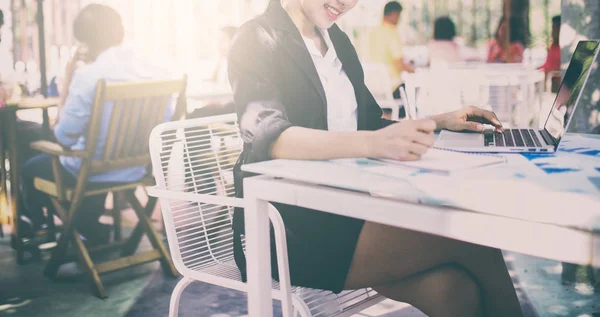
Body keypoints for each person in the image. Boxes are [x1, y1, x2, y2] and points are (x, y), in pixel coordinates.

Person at [228, 0, 524, 316]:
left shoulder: (336, 40)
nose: (347, 3)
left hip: (350, 211)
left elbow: (368, 123)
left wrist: (438, 122)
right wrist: (373, 143)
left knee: (452, 291)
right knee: (472, 235)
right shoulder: (256, 38)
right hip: (288, 228)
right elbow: (269, 136)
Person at [19, 4, 172, 244]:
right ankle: (89, 225)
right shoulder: (155, 72)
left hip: (91, 173)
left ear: (85, 41)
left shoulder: (89, 75)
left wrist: (68, 79)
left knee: (31, 168)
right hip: (138, 170)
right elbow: (165, 126)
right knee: (83, 167)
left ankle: (43, 224)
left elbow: (64, 137)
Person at [366, 1, 414, 96]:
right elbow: (399, 64)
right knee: (415, 88)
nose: (399, 19)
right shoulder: (392, 33)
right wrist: (413, 71)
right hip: (392, 88)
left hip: (372, 88)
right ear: (394, 14)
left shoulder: (371, 33)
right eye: (399, 15)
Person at [539, 15, 561, 91]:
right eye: (553, 28)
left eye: (556, 28)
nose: (553, 32)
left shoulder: (565, 49)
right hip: (554, 86)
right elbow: (547, 65)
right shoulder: (552, 46)